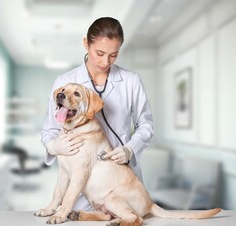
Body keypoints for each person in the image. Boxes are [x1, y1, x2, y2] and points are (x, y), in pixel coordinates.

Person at [41, 17, 154, 211]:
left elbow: (146, 125)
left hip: (119, 182)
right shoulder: (65, 81)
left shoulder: (131, 81)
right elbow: (50, 129)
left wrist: (130, 148)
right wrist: (53, 146)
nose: (105, 62)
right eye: (99, 53)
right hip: (81, 189)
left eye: (113, 55)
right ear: (86, 44)